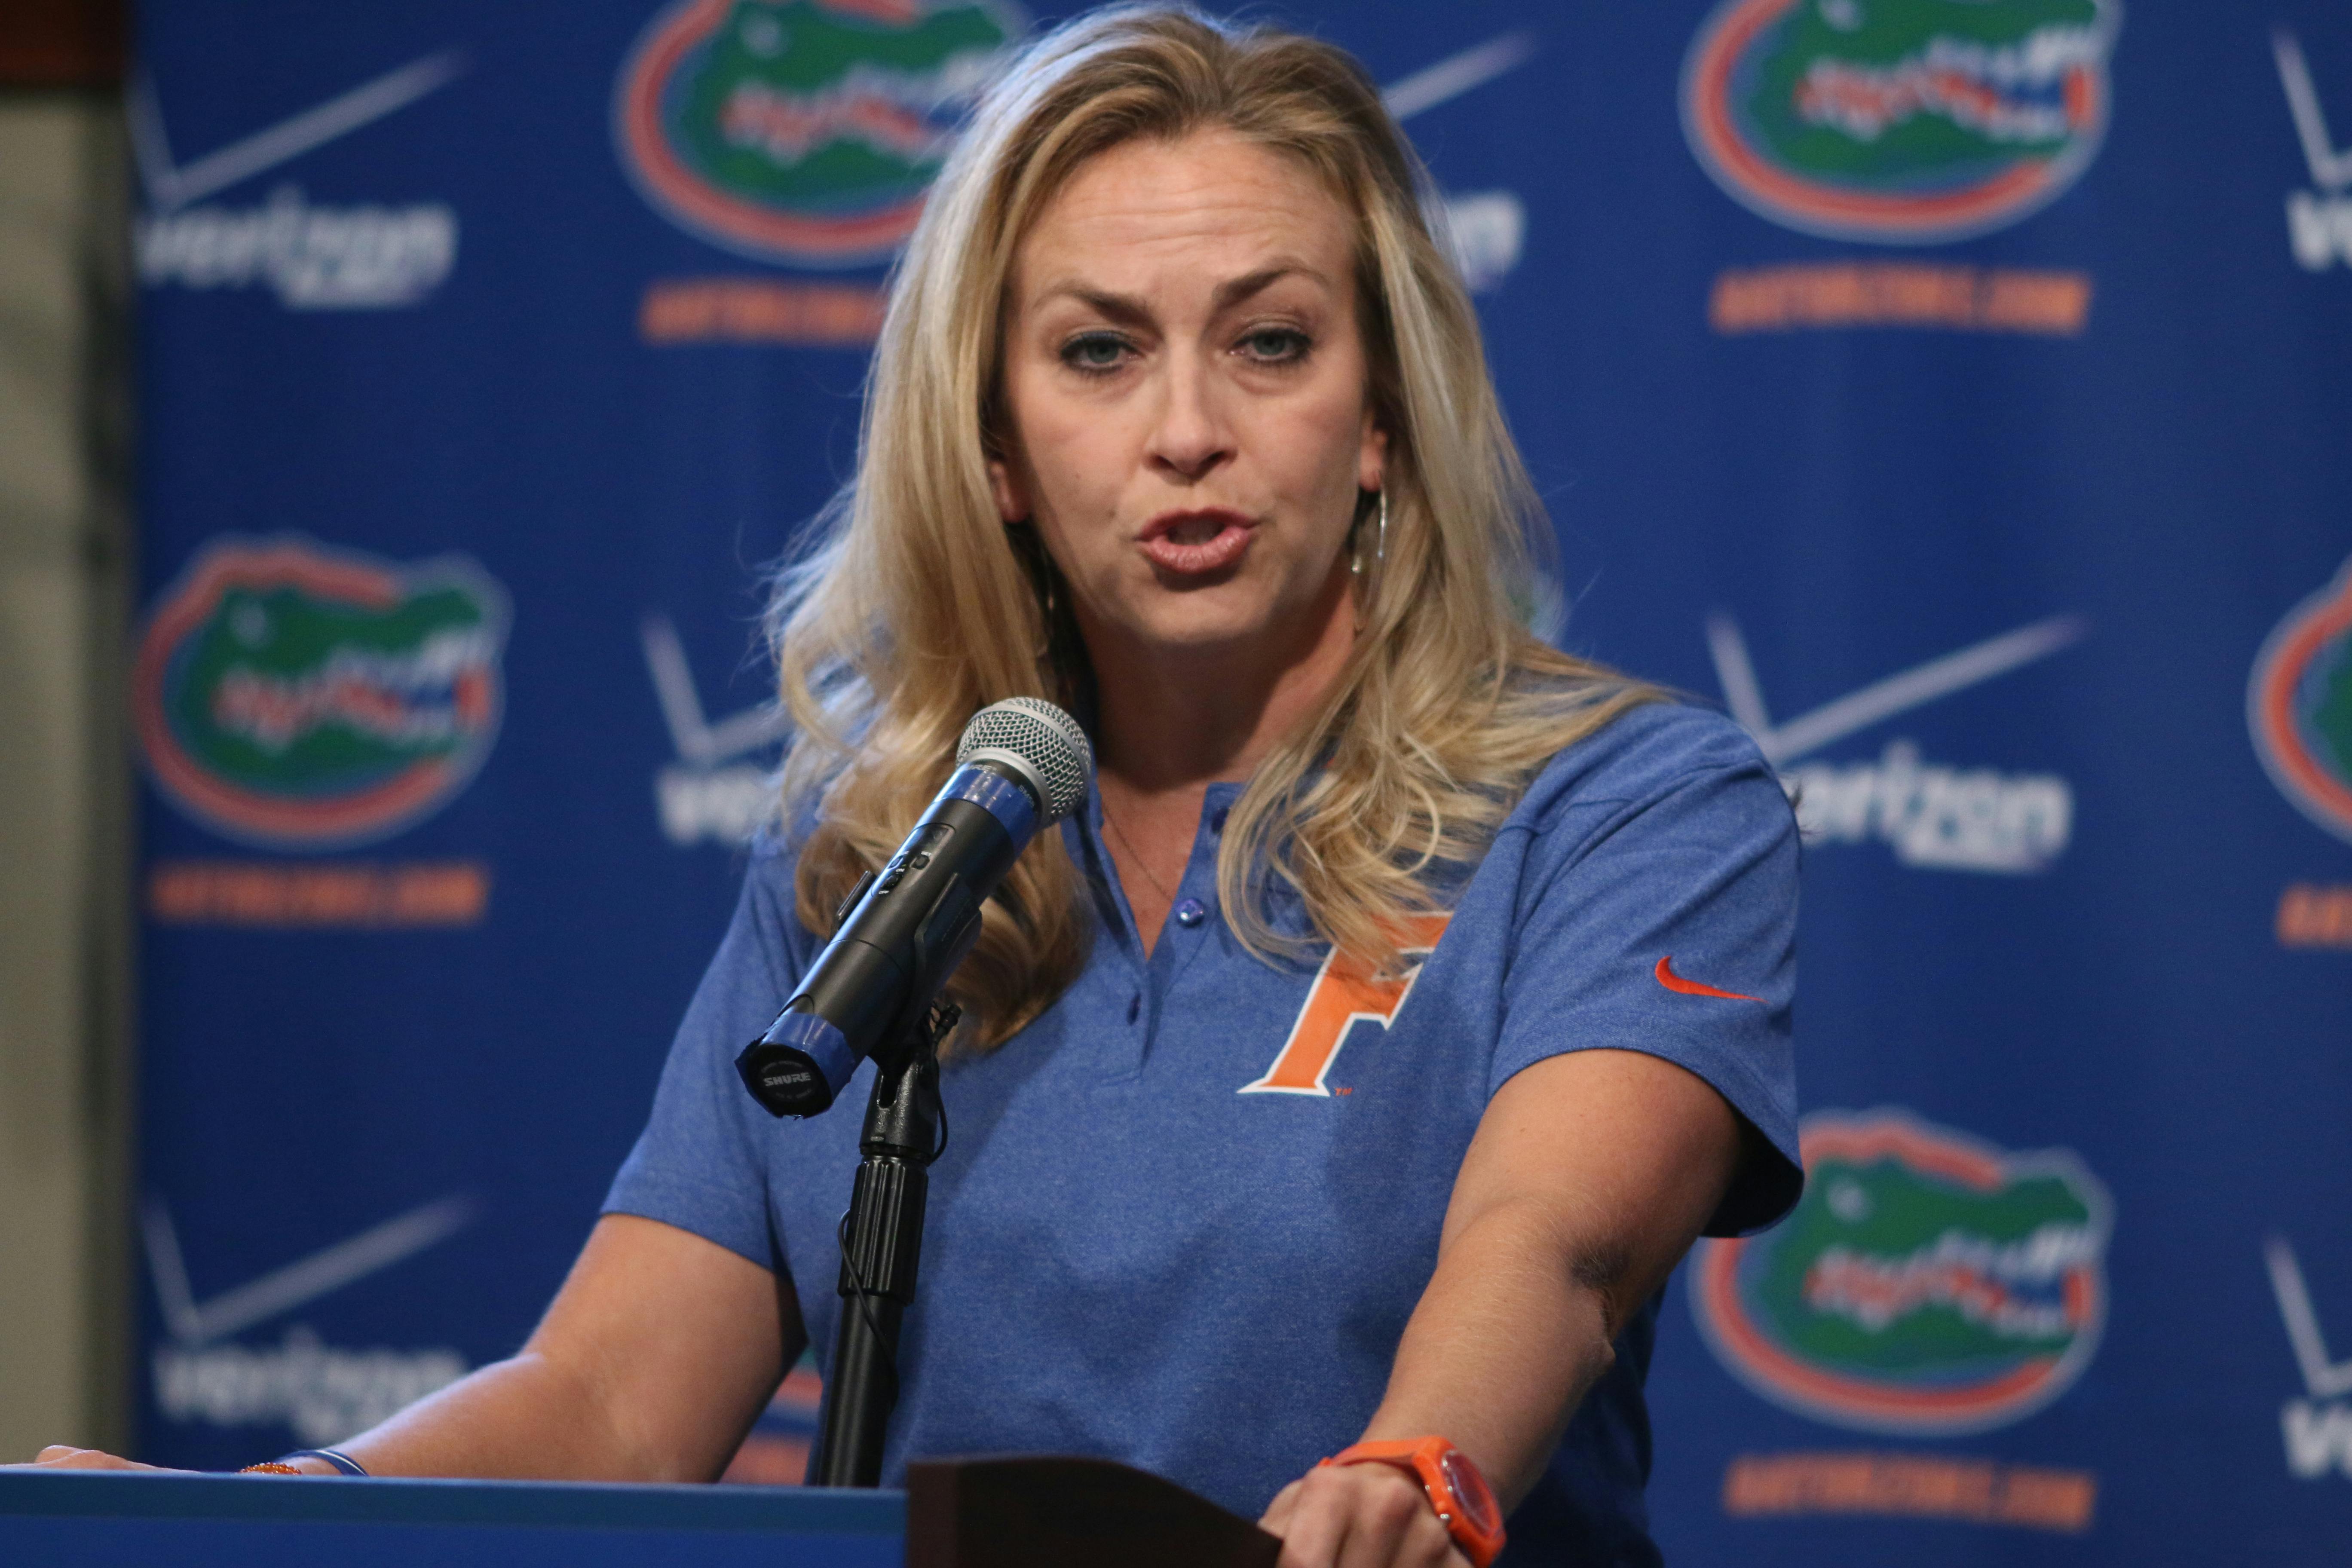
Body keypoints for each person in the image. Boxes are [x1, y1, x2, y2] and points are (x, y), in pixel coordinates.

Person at [29, 9, 1799, 1565]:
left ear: (1384, 416)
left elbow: (1555, 1249)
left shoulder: (1629, 804)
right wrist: (271, 1513)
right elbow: (613, 1406)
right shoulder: (889, 855)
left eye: (1270, 342)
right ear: (1000, 448)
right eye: (1099, 352)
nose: (1190, 427)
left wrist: (1425, 1465)